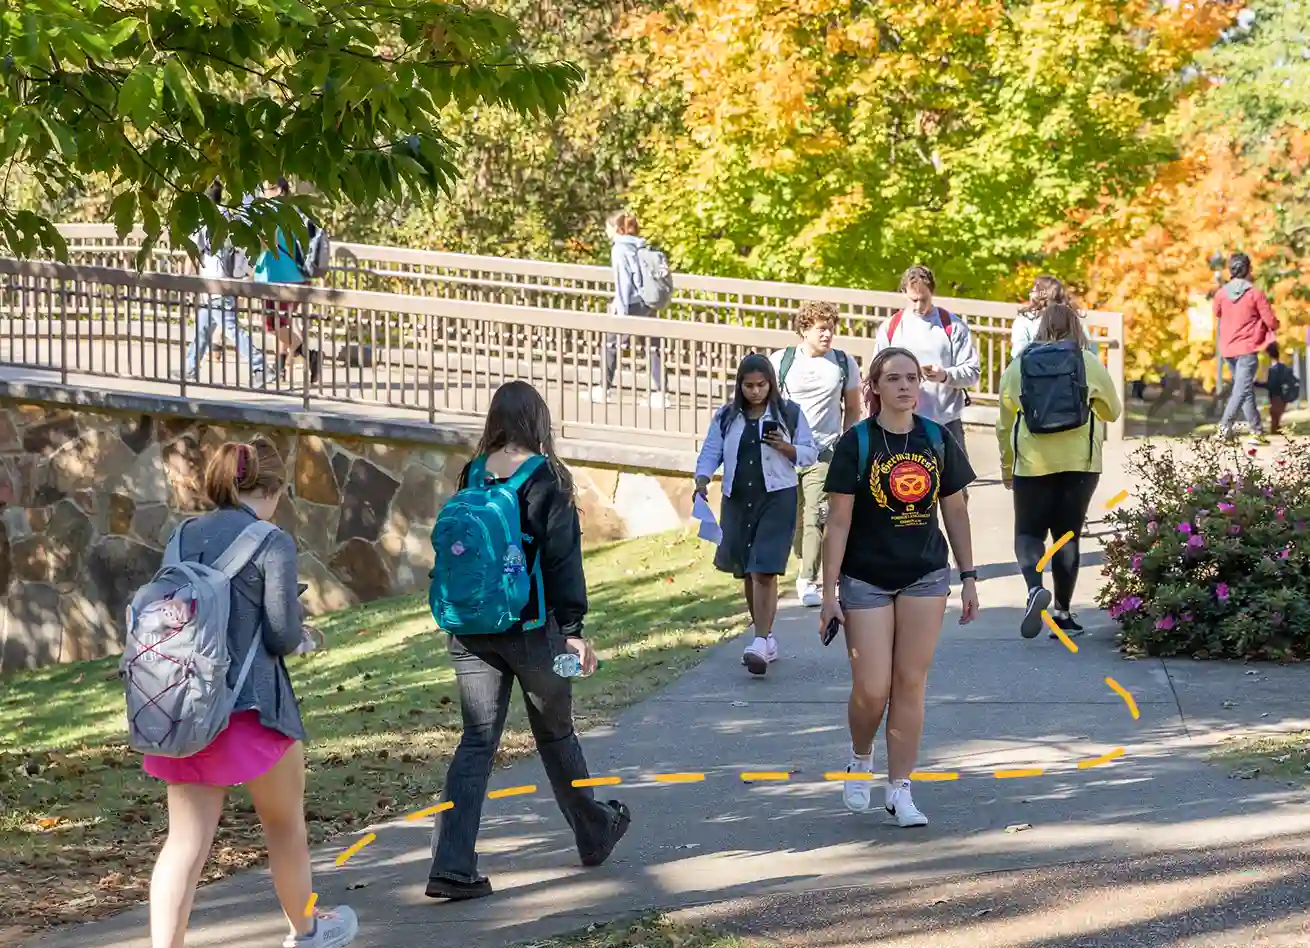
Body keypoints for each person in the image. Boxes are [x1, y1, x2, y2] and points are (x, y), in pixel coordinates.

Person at [142, 438, 357, 948]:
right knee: (285, 828)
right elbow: (281, 634)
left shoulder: (182, 536)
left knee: (185, 842)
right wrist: (300, 635)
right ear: (274, 488)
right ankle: (306, 931)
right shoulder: (271, 540)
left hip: (187, 709)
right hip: (254, 711)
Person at [426, 381, 631, 901]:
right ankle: (594, 830)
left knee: (476, 741)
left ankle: (450, 863)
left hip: (470, 629)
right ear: (537, 420)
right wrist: (575, 631)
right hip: (532, 630)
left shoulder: (472, 472)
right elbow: (563, 562)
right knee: (556, 733)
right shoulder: (545, 478)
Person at [820, 347, 978, 826]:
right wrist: (829, 594)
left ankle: (900, 790)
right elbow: (839, 524)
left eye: (912, 378)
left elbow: (955, 509)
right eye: (894, 379)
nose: (905, 386)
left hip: (925, 574)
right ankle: (860, 756)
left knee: (910, 683)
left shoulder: (936, 439)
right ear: (874, 388)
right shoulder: (857, 443)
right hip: (866, 577)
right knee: (871, 688)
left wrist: (969, 577)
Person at [997, 304, 1123, 639]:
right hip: (1079, 464)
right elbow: (1113, 411)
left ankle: (1034, 588)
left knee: (1028, 533)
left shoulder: (1019, 365)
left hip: (1032, 463)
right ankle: (1064, 615)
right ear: (1076, 328)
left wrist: (1007, 466)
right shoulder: (1087, 362)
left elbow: (1004, 420)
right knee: (1067, 534)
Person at [695, 354, 818, 676]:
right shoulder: (727, 416)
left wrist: (786, 448)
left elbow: (810, 452)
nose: (755, 391)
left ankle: (761, 639)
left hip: (777, 497)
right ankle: (764, 637)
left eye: (761, 385)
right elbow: (712, 450)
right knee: (747, 571)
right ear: (740, 386)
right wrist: (702, 479)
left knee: (765, 569)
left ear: (771, 384)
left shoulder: (789, 413)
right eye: (748, 386)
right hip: (737, 499)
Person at [769, 301, 862, 608]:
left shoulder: (843, 363)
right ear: (804, 330)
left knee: (816, 515)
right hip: (785, 452)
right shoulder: (781, 361)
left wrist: (846, 445)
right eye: (821, 328)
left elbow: (852, 408)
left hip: (824, 453)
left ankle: (807, 579)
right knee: (792, 517)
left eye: (831, 328)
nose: (828, 334)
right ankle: (801, 560)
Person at [873, 265, 981, 455]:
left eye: (924, 299)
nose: (918, 306)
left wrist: (945, 375)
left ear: (932, 293)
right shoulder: (891, 327)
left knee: (952, 483)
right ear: (903, 293)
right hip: (900, 422)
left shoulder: (952, 326)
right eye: (913, 299)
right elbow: (876, 374)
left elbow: (972, 373)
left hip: (945, 422)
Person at [182, 181, 267, 386]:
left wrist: (185, 280)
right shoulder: (230, 216)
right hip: (227, 279)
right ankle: (189, 369)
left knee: (231, 330)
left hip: (214, 283)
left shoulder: (204, 220)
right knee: (203, 328)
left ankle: (260, 366)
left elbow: (193, 253)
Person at [590, 211, 669, 409]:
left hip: (632, 303)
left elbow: (623, 282)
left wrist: (621, 312)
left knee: (610, 344)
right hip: (647, 301)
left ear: (617, 229)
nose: (606, 232)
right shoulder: (640, 245)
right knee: (652, 346)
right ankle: (661, 394)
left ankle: (604, 388)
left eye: (608, 228)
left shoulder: (619, 249)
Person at [254, 178, 321, 384]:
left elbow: (263, 244)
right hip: (300, 277)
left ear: (280, 191)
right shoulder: (298, 210)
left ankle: (308, 355)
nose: (265, 193)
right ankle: (281, 368)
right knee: (284, 321)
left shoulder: (271, 213)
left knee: (273, 324)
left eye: (268, 189)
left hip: (278, 277)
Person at [1213, 252, 1278, 445]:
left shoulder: (1221, 294)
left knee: (1245, 388)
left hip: (1227, 349)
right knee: (1241, 390)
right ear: (1249, 269)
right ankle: (1224, 427)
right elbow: (1271, 322)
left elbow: (1217, 312)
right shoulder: (1255, 294)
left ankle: (1256, 430)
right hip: (1247, 349)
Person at [1009, 275, 1100, 361]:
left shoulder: (1025, 318)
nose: (1029, 294)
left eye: (1032, 291)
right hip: (1073, 371)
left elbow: (1018, 352)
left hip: (1036, 371)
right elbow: (1090, 349)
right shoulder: (1075, 316)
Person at [1262, 342, 1298, 435]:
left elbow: (1271, 384)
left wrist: (1257, 384)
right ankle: (1276, 430)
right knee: (1275, 416)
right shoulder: (1282, 367)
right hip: (1281, 395)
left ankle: (1275, 431)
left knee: (1275, 415)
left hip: (1277, 395)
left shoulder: (1275, 369)